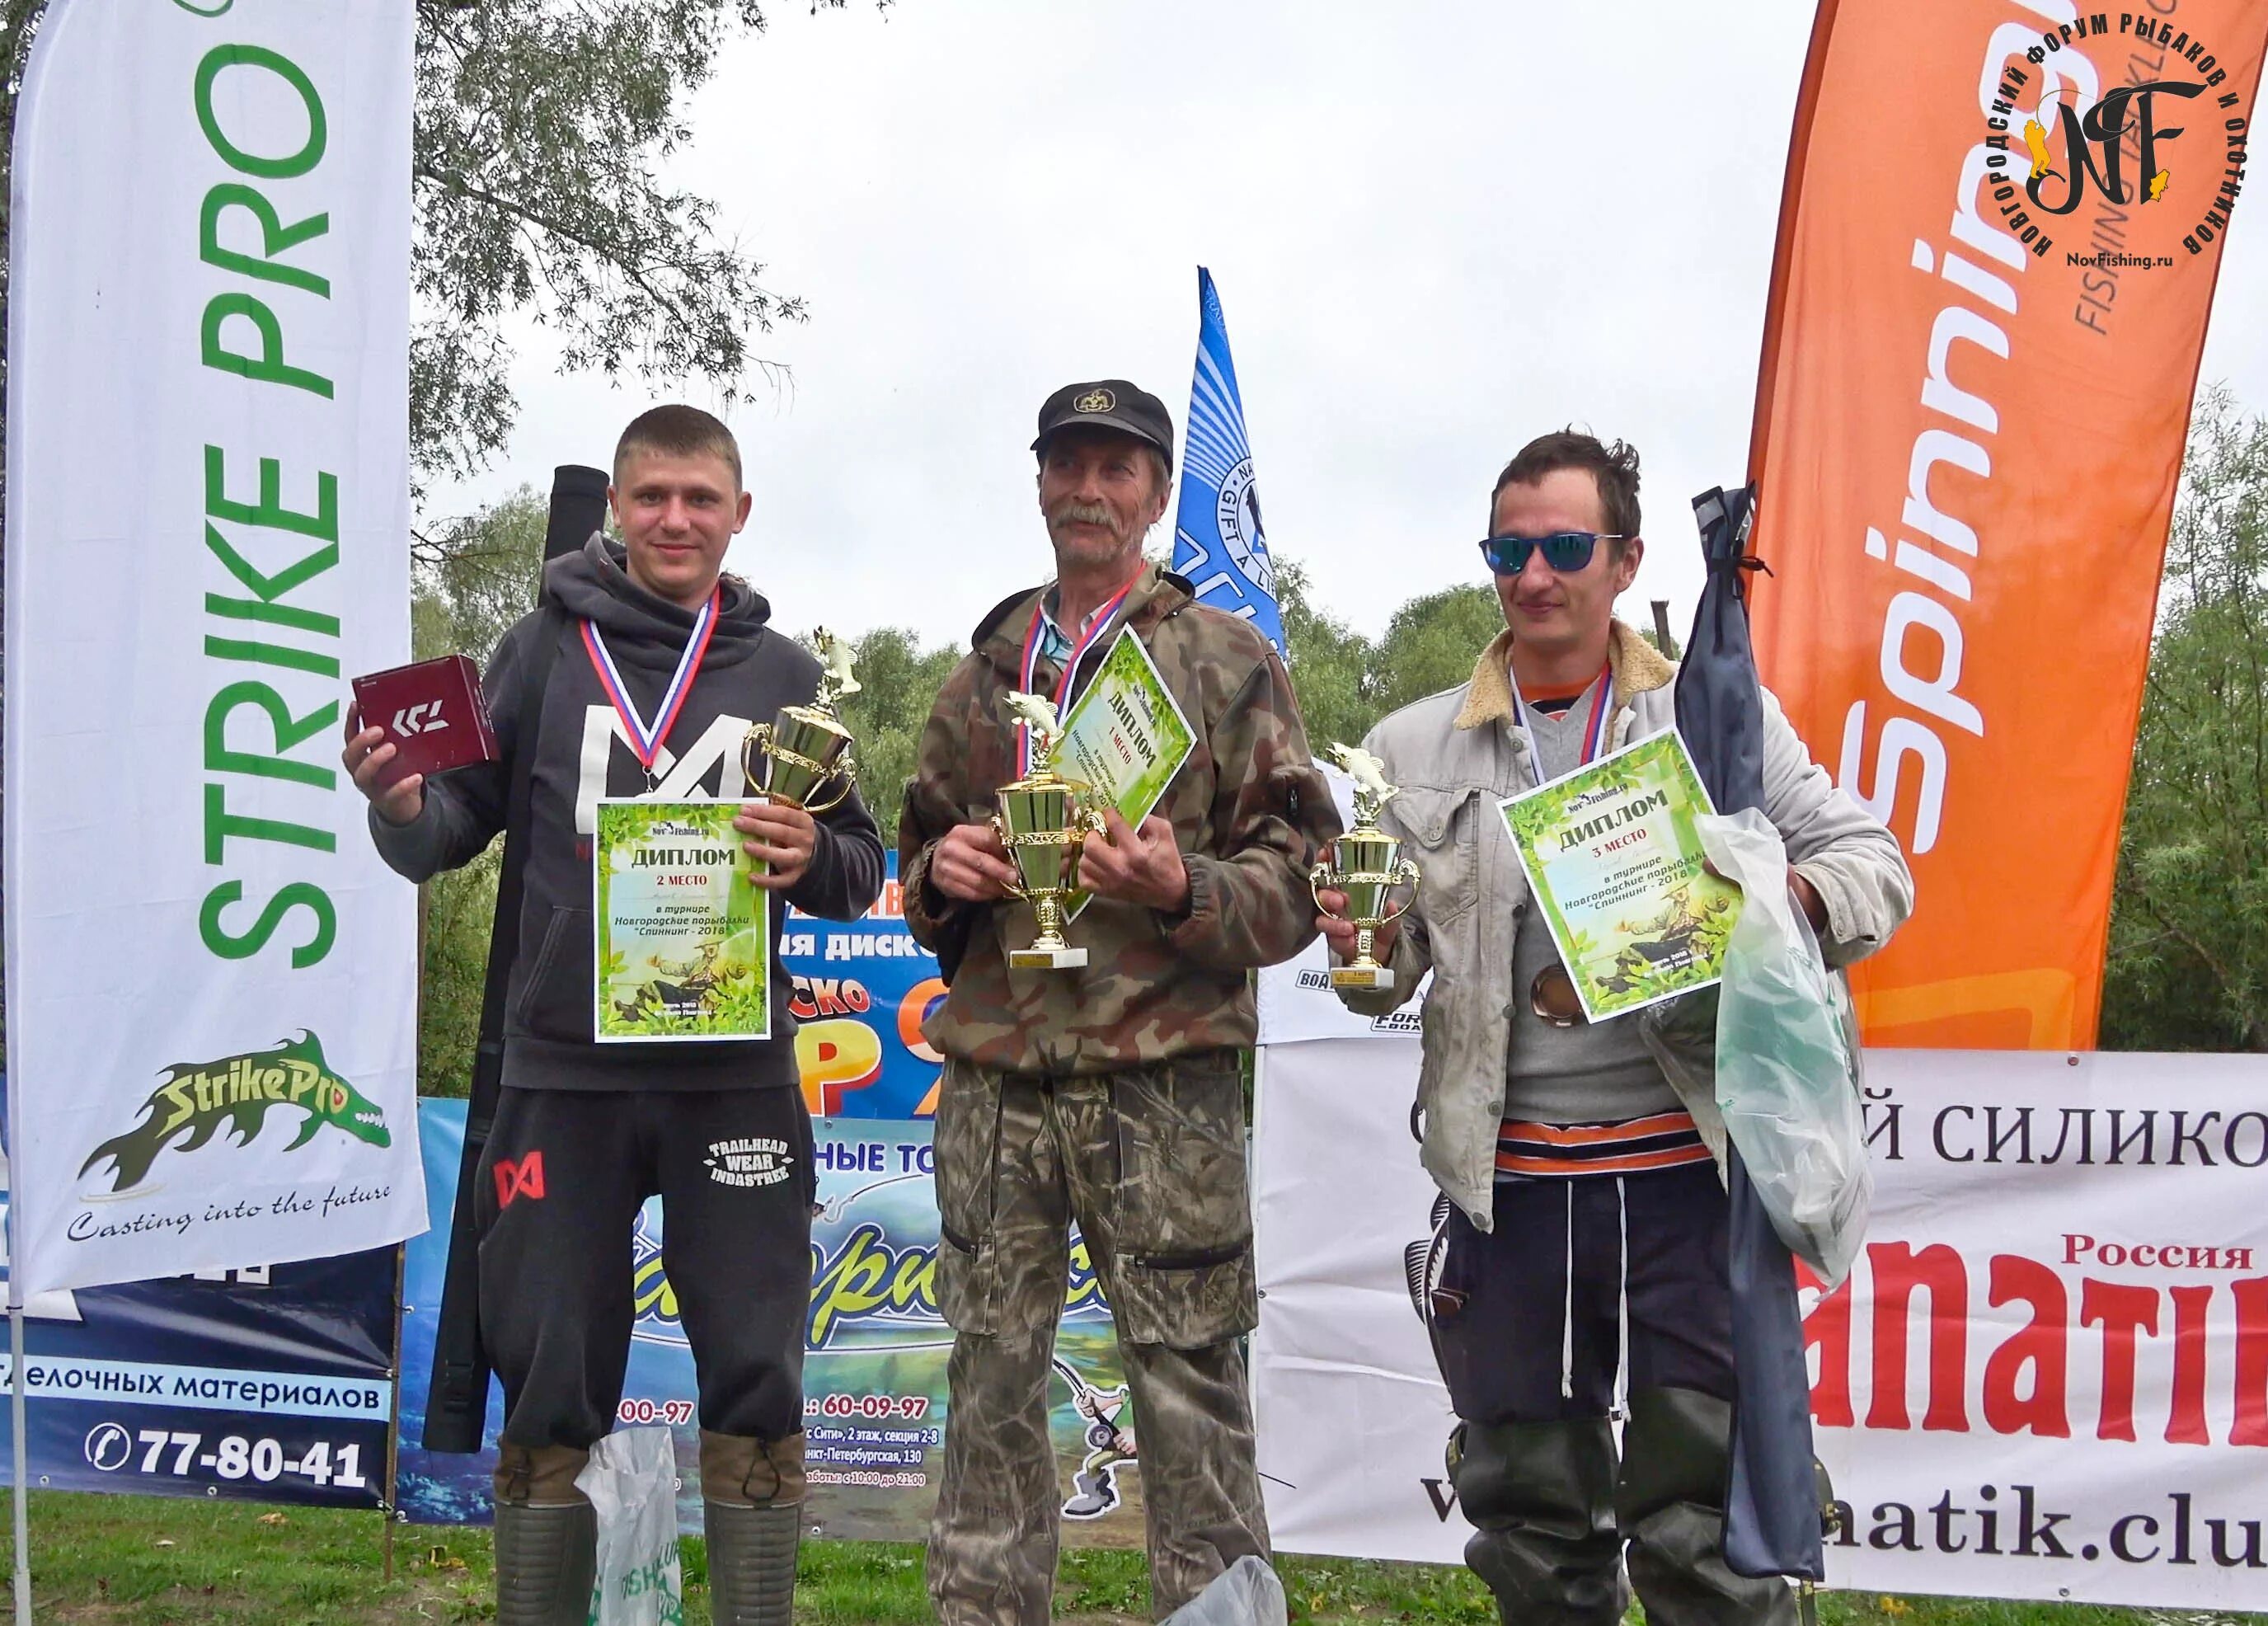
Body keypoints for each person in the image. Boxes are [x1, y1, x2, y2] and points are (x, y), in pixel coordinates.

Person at [1317, 430, 1913, 1625]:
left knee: (1706, 1533)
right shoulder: (1408, 748)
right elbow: (1385, 985)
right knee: (1533, 1526)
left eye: (1565, 547)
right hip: (1513, 1190)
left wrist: (1763, 905)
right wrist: (1358, 956)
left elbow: (1874, 870)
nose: (1534, 575)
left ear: (1626, 558)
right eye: (1509, 547)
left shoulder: (1714, 721)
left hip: (1687, 1182)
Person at [345, 406, 884, 1626]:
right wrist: (394, 801)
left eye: (701, 498)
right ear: (617, 511)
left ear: (739, 514)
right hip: (565, 1080)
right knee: (546, 1391)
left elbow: (858, 864)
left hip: (733, 1080)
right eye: (652, 497)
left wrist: (811, 851)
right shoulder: (536, 648)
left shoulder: (786, 676)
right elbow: (444, 832)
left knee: (756, 1383)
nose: (676, 519)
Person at [899, 378, 1340, 1624]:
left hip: (1166, 1083)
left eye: (1116, 470)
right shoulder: (983, 674)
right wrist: (945, 873)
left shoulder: (1223, 662)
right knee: (988, 1386)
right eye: (1068, 465)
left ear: (1153, 494)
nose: (1088, 490)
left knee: (1191, 1391)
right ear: (1039, 481)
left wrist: (1178, 882)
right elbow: (916, 856)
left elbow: (1302, 881)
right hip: (998, 1083)